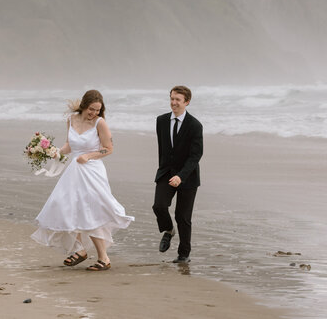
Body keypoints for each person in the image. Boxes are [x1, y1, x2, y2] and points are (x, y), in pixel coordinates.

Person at [31, 89, 134, 271]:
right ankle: (80, 250)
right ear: (84, 106)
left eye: (97, 110)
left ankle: (103, 258)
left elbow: (108, 148)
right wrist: (52, 152)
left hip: (92, 171)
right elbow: (70, 145)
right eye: (91, 109)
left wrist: (89, 156)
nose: (93, 113)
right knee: (70, 208)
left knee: (91, 212)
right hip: (74, 171)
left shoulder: (100, 123)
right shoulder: (71, 119)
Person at [152, 85, 203, 264]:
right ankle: (168, 230)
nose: (174, 103)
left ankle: (184, 255)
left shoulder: (195, 125)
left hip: (188, 177)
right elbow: (164, 150)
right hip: (166, 172)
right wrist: (164, 172)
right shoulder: (161, 121)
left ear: (186, 102)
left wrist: (181, 176)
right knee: (159, 206)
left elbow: (196, 155)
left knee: (183, 217)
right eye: (172, 99)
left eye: (178, 100)